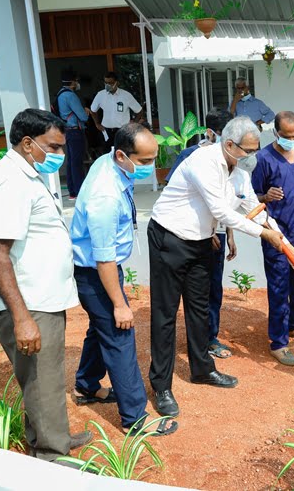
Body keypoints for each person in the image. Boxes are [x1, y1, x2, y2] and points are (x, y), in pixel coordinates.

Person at [0, 108, 91, 466]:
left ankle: (50, 436)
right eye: (53, 147)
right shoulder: (10, 181)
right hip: (27, 304)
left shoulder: (24, 175)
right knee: (44, 381)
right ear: (28, 144)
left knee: (44, 380)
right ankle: (52, 458)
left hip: (39, 299)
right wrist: (22, 318)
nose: (60, 155)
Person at [148, 116, 284, 418]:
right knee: (165, 313)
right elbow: (221, 210)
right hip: (169, 238)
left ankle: (202, 369)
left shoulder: (240, 172)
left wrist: (277, 233)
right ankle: (161, 386)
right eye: (248, 150)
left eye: (255, 149)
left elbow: (253, 207)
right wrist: (264, 234)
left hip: (201, 241)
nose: (253, 156)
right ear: (229, 144)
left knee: (199, 307)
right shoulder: (204, 161)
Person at [70, 122, 176, 436]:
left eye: (153, 158)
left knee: (99, 329)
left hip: (98, 269)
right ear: (120, 155)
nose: (150, 167)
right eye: (143, 161)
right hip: (96, 271)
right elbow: (103, 259)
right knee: (120, 336)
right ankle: (135, 418)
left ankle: (88, 385)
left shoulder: (112, 166)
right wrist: (119, 304)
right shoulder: (105, 196)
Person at [166, 109, 237, 359]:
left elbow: (228, 200)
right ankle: (198, 340)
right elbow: (179, 199)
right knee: (195, 292)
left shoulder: (230, 159)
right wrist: (206, 232)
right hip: (193, 237)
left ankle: (210, 337)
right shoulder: (191, 156)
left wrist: (229, 234)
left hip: (216, 234)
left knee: (213, 290)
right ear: (210, 133)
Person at [252, 111, 294, 365]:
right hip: (277, 235)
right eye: (287, 136)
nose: (292, 139)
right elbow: (250, 197)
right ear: (275, 132)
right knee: (279, 288)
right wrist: (265, 197)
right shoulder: (263, 159)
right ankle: (279, 342)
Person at [56, 69, 89, 200]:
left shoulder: (60, 94)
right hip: (75, 131)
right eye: (76, 81)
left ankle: (73, 191)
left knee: (71, 162)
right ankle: (80, 191)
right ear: (72, 82)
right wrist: (85, 112)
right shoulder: (70, 95)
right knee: (77, 163)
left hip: (66, 132)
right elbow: (82, 116)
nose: (77, 83)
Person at [90, 71, 143, 148]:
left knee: (122, 155)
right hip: (106, 131)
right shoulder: (100, 95)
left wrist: (133, 124)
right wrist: (97, 123)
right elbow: (93, 110)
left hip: (122, 131)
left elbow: (139, 111)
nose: (108, 85)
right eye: (106, 82)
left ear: (117, 83)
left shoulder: (126, 95)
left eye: (110, 83)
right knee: (107, 156)